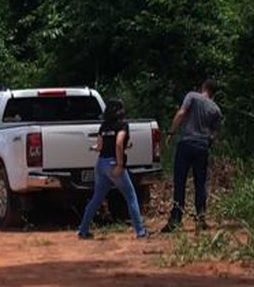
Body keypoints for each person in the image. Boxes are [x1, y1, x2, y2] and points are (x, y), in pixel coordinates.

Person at [77, 99, 149, 240]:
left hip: (101, 164)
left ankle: (83, 230)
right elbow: (118, 144)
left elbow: (99, 146)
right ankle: (140, 232)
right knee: (131, 196)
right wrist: (120, 165)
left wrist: (94, 148)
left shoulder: (103, 126)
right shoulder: (122, 125)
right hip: (113, 163)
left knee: (96, 198)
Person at [161, 79, 223, 233]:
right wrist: (207, 143)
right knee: (200, 183)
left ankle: (176, 219)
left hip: (186, 143)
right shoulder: (216, 110)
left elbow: (182, 113)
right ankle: (201, 219)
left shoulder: (192, 96)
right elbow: (214, 133)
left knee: (180, 181)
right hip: (202, 147)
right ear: (214, 93)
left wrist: (171, 132)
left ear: (203, 87)